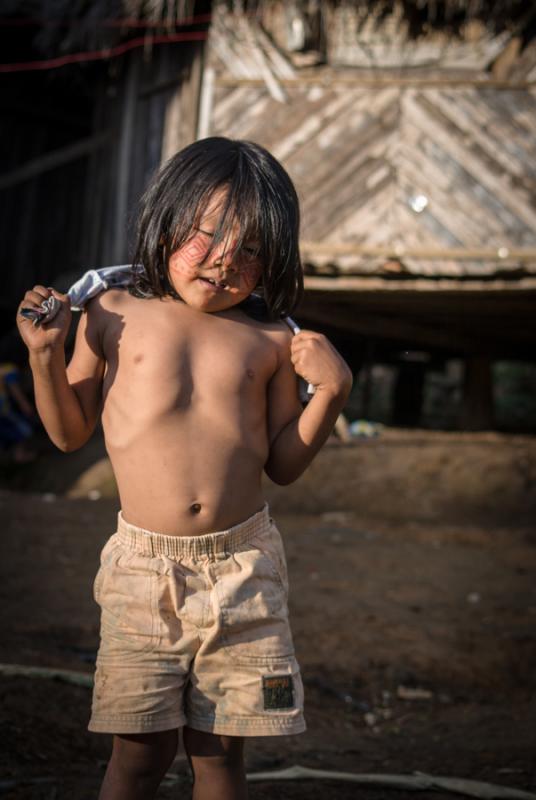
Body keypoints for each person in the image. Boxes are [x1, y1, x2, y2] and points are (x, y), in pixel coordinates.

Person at [17, 137, 352, 800]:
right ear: (168, 220)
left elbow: (285, 464)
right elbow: (67, 432)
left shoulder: (273, 339)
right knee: (139, 753)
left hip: (243, 569)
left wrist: (334, 392)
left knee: (221, 754)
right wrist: (44, 356)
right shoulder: (110, 313)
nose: (226, 262)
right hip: (143, 570)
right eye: (209, 236)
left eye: (251, 250)